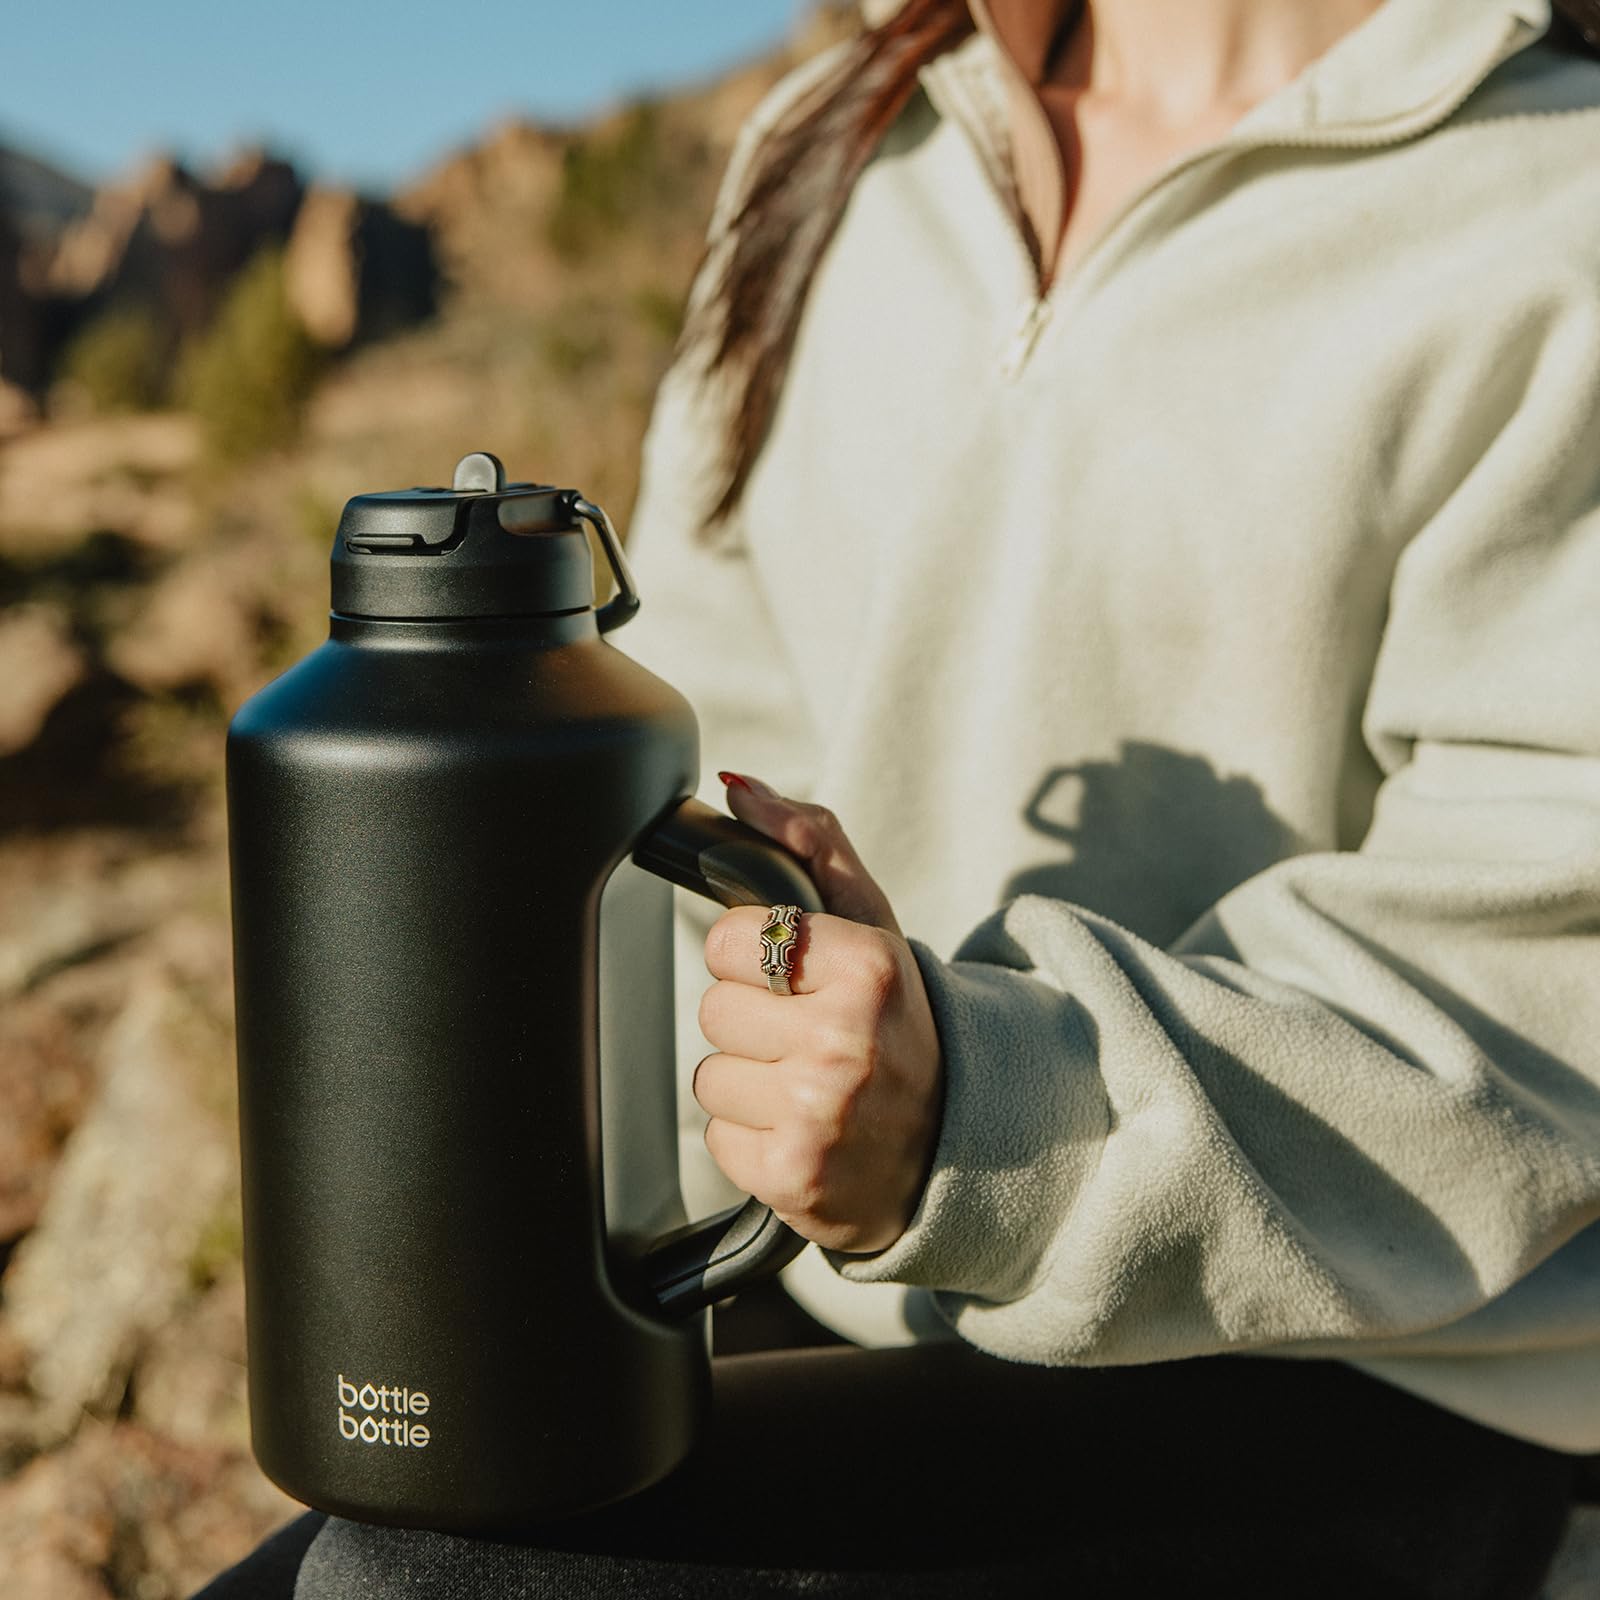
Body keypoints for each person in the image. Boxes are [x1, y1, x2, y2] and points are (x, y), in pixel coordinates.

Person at [198, 0, 1600, 1594]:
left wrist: (976, 1113)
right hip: (845, 1288)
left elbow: (1545, 990)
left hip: (1381, 1372)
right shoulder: (848, 140)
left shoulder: (1556, 197)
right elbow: (692, 784)